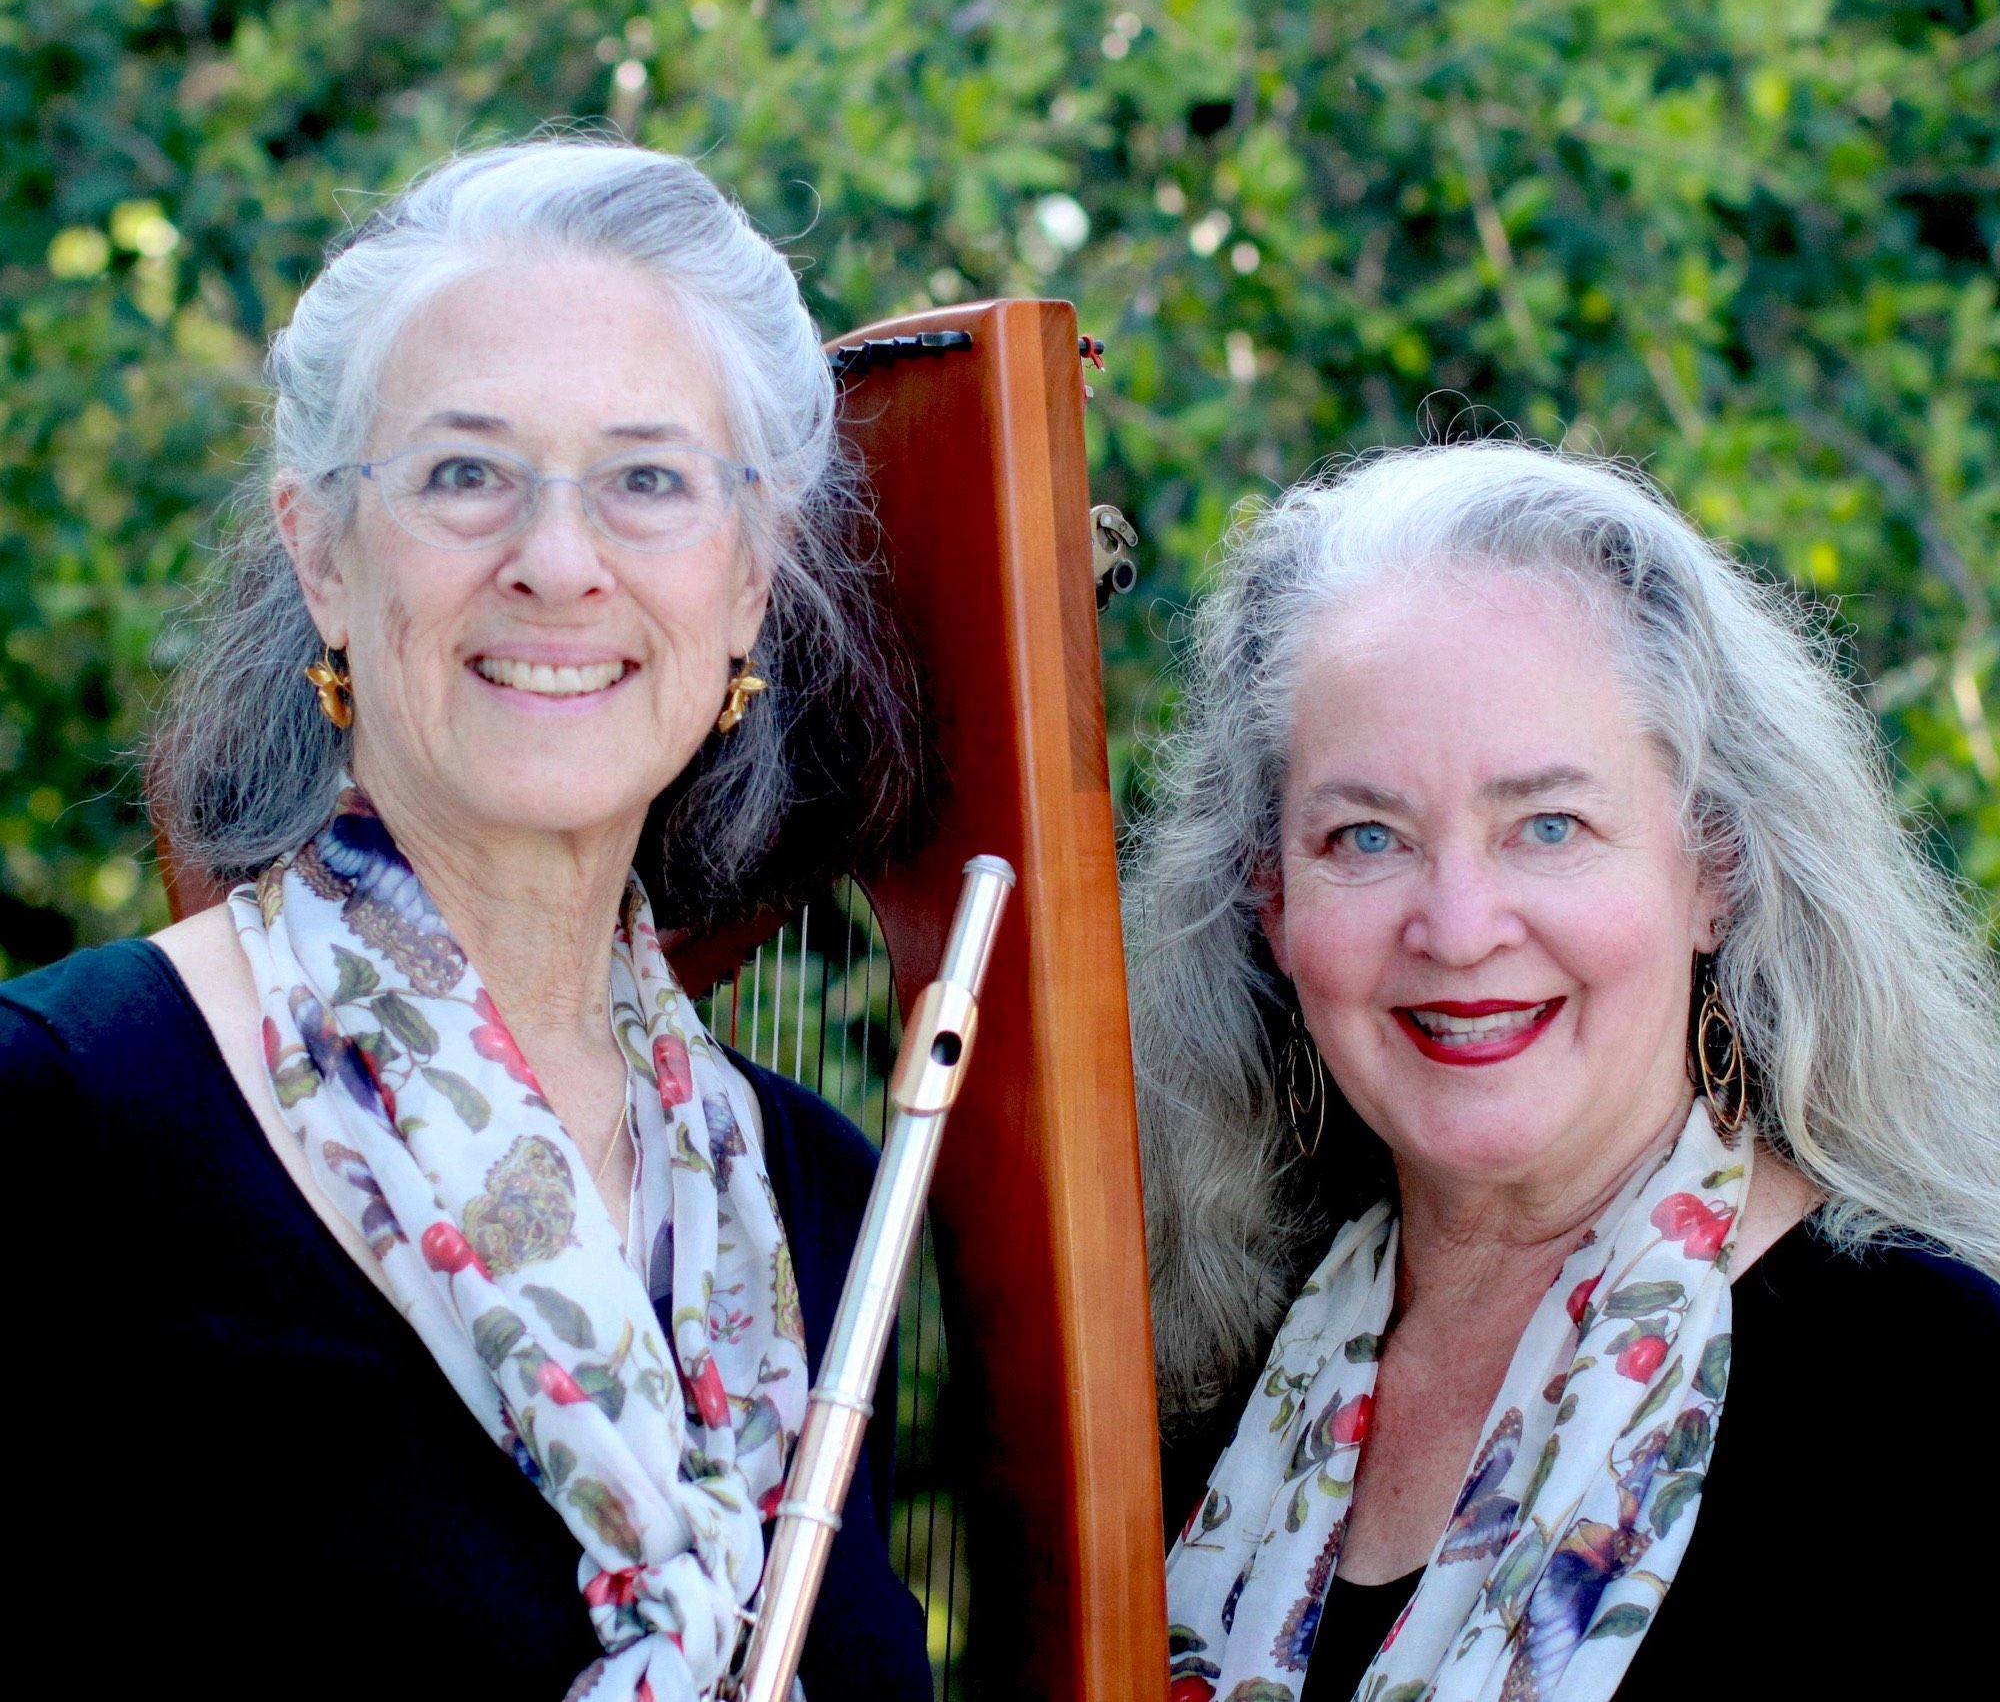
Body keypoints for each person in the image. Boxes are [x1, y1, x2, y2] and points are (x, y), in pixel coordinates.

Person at [0, 140, 934, 1702]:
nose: (556, 562)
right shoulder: (67, 1114)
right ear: (321, 553)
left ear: (754, 575)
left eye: (647, 478)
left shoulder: (813, 1199)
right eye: (461, 473)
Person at [1128, 442, 2000, 1701]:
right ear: (1267, 901)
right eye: (1363, 835)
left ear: (1711, 870)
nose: (1458, 924)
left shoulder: (1928, 1393)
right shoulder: (1204, 1384)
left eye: (1548, 825)